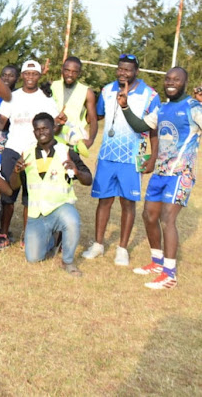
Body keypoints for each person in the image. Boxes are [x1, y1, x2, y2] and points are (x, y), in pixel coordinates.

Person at [118, 68, 202, 289]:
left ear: (185, 82)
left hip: (180, 174)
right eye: (168, 79)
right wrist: (125, 106)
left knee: (167, 218)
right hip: (160, 173)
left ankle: (170, 275)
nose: (171, 83)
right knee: (149, 216)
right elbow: (140, 126)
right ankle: (157, 262)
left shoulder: (194, 107)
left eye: (177, 80)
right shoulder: (162, 108)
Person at [82, 54, 160, 266]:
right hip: (107, 155)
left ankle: (122, 249)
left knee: (128, 202)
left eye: (128, 70)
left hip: (133, 158)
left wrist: (152, 157)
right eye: (120, 69)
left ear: (136, 71)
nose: (123, 73)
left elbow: (154, 129)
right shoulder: (107, 90)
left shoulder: (150, 95)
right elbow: (95, 115)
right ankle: (98, 244)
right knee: (104, 200)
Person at [10, 113, 93, 276]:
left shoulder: (66, 151)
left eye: (45, 128)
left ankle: (68, 261)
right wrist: (15, 172)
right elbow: (13, 186)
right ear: (34, 132)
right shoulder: (26, 153)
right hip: (37, 214)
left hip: (60, 207)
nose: (41, 132)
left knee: (72, 221)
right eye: (37, 129)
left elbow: (88, 179)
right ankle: (53, 240)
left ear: (54, 129)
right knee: (33, 258)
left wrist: (76, 171)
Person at [0, 60, 61, 249]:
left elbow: (55, 126)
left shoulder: (46, 100)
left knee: (31, 196)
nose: (30, 77)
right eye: (27, 74)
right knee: (8, 194)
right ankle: (3, 233)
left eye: (34, 74)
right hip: (12, 150)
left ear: (39, 76)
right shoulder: (12, 96)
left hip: (34, 153)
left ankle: (28, 235)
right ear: (22, 75)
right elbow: (1, 125)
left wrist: (60, 123)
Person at [51, 56, 98, 152]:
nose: (70, 74)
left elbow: (93, 119)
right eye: (67, 70)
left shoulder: (87, 92)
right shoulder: (52, 86)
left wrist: (91, 140)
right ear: (62, 70)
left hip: (73, 141)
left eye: (74, 72)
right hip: (52, 137)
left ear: (79, 73)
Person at [0, 65, 19, 169]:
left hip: (10, 142)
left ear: (17, 78)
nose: (7, 78)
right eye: (4, 75)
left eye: (11, 75)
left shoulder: (19, 96)